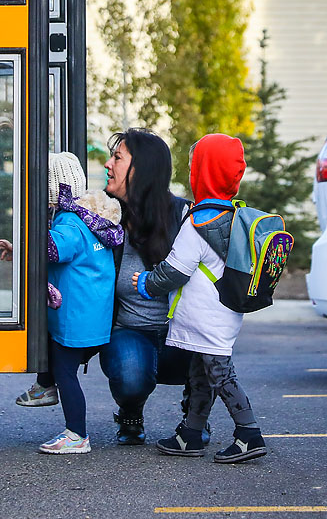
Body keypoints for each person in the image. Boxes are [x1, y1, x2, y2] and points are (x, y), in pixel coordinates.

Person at [132, 133, 267, 464]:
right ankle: (191, 433)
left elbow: (175, 271)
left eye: (195, 165)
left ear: (203, 173)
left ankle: (248, 433)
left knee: (220, 373)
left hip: (207, 316)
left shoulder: (198, 222)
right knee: (200, 372)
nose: (191, 171)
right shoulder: (233, 215)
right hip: (225, 309)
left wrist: (146, 283)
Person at [7, 152, 123, 453]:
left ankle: (77, 434)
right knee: (46, 337)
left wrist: (26, 236)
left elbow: (53, 249)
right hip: (92, 315)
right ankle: (45, 387)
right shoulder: (89, 219)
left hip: (77, 320)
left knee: (66, 373)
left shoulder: (69, 222)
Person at [96, 128, 199, 446]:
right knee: (130, 377)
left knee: (210, 352)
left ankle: (194, 418)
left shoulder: (185, 215)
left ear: (141, 170)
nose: (107, 165)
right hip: (130, 330)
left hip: (182, 332)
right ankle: (130, 411)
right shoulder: (105, 217)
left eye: (117, 158)